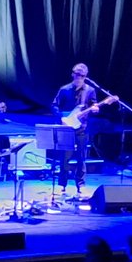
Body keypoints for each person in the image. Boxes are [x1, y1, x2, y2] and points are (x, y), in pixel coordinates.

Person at [52, 63, 98, 197]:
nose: (79, 78)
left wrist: (95, 109)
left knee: (81, 157)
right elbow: (54, 105)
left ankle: (81, 185)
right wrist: (61, 118)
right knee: (65, 157)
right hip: (67, 128)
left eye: (82, 76)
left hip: (82, 128)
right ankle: (62, 185)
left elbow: (93, 105)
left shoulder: (90, 90)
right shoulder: (64, 89)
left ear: (85, 77)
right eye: (77, 75)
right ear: (73, 74)